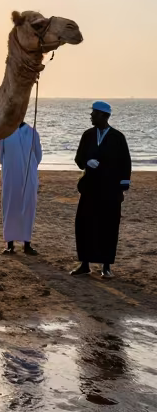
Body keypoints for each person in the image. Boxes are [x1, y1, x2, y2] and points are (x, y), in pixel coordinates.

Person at [72, 101, 131, 279]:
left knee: (109, 226)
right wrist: (86, 162)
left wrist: (122, 187)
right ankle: (85, 264)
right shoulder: (87, 135)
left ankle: (106, 266)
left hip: (110, 191)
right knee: (84, 225)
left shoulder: (118, 137)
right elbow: (78, 157)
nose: (91, 116)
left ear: (104, 116)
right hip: (89, 189)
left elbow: (125, 163)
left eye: (95, 113)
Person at [0, 120, 42, 255]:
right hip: (11, 176)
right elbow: (0, 156)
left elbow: (38, 155)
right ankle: (10, 244)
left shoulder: (32, 132)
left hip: (29, 177)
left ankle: (27, 243)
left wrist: (29, 168)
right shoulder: (5, 132)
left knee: (27, 207)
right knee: (10, 207)